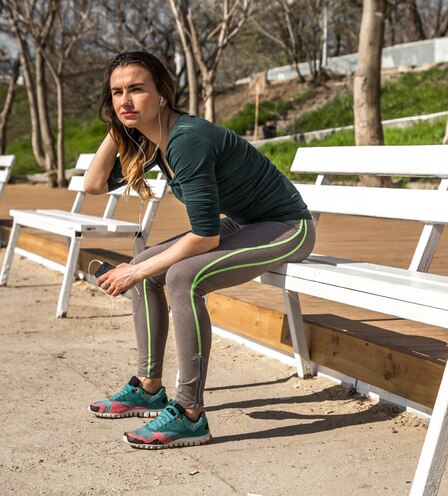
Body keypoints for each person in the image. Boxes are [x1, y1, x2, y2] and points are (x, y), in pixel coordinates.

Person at [84, 51, 315, 449]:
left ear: (163, 95)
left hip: (288, 228)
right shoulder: (151, 139)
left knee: (179, 276)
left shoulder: (186, 140)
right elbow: (93, 184)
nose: (125, 99)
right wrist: (117, 122)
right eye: (117, 92)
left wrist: (133, 273)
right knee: (145, 266)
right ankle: (149, 386)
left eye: (137, 89)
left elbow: (205, 237)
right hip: (247, 225)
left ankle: (190, 413)